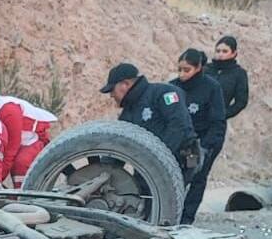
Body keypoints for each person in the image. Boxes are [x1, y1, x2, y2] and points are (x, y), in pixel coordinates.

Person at [99, 62, 197, 170]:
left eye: (112, 90)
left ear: (125, 84)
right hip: (149, 167)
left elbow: (178, 126)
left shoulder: (164, 93)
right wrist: (102, 171)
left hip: (183, 160)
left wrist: (157, 158)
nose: (111, 95)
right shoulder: (128, 113)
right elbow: (119, 144)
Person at [175, 48, 226, 224]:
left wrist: (205, 148)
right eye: (179, 70)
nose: (182, 74)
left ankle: (186, 220)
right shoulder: (173, 87)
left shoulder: (211, 88)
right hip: (179, 142)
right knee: (175, 178)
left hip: (202, 142)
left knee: (196, 179)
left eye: (186, 70)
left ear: (198, 68)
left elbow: (217, 121)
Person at [0, 95, 57, 186]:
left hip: (33, 140)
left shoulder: (8, 110)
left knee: (21, 163)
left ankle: (23, 197)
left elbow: (12, 148)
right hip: (25, 140)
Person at [207, 35, 249, 120]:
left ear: (234, 53)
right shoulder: (206, 69)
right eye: (218, 51)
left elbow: (241, 101)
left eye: (225, 51)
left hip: (217, 122)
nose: (220, 54)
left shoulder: (238, 73)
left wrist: (224, 114)